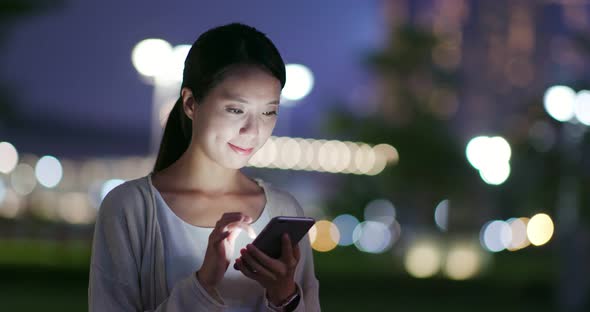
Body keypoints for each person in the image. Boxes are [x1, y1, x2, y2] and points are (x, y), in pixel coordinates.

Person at [88, 23, 321, 311]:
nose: (253, 130)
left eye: (269, 112)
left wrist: (285, 296)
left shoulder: (283, 210)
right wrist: (202, 285)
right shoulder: (132, 208)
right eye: (235, 110)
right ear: (190, 103)